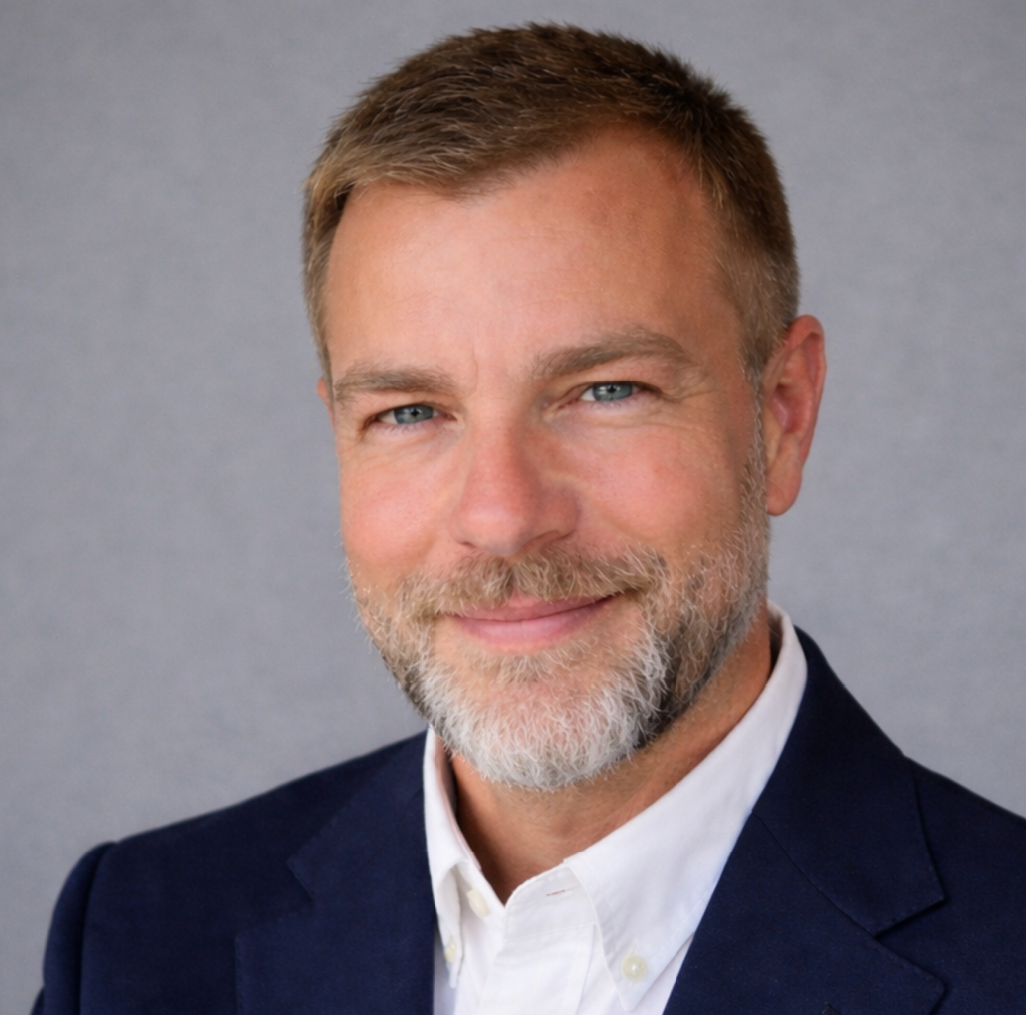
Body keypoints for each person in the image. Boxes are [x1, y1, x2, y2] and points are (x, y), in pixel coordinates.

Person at [34, 23, 1026, 1015]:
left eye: (605, 390)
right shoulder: (142, 938)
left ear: (782, 414)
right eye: (411, 412)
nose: (503, 517)